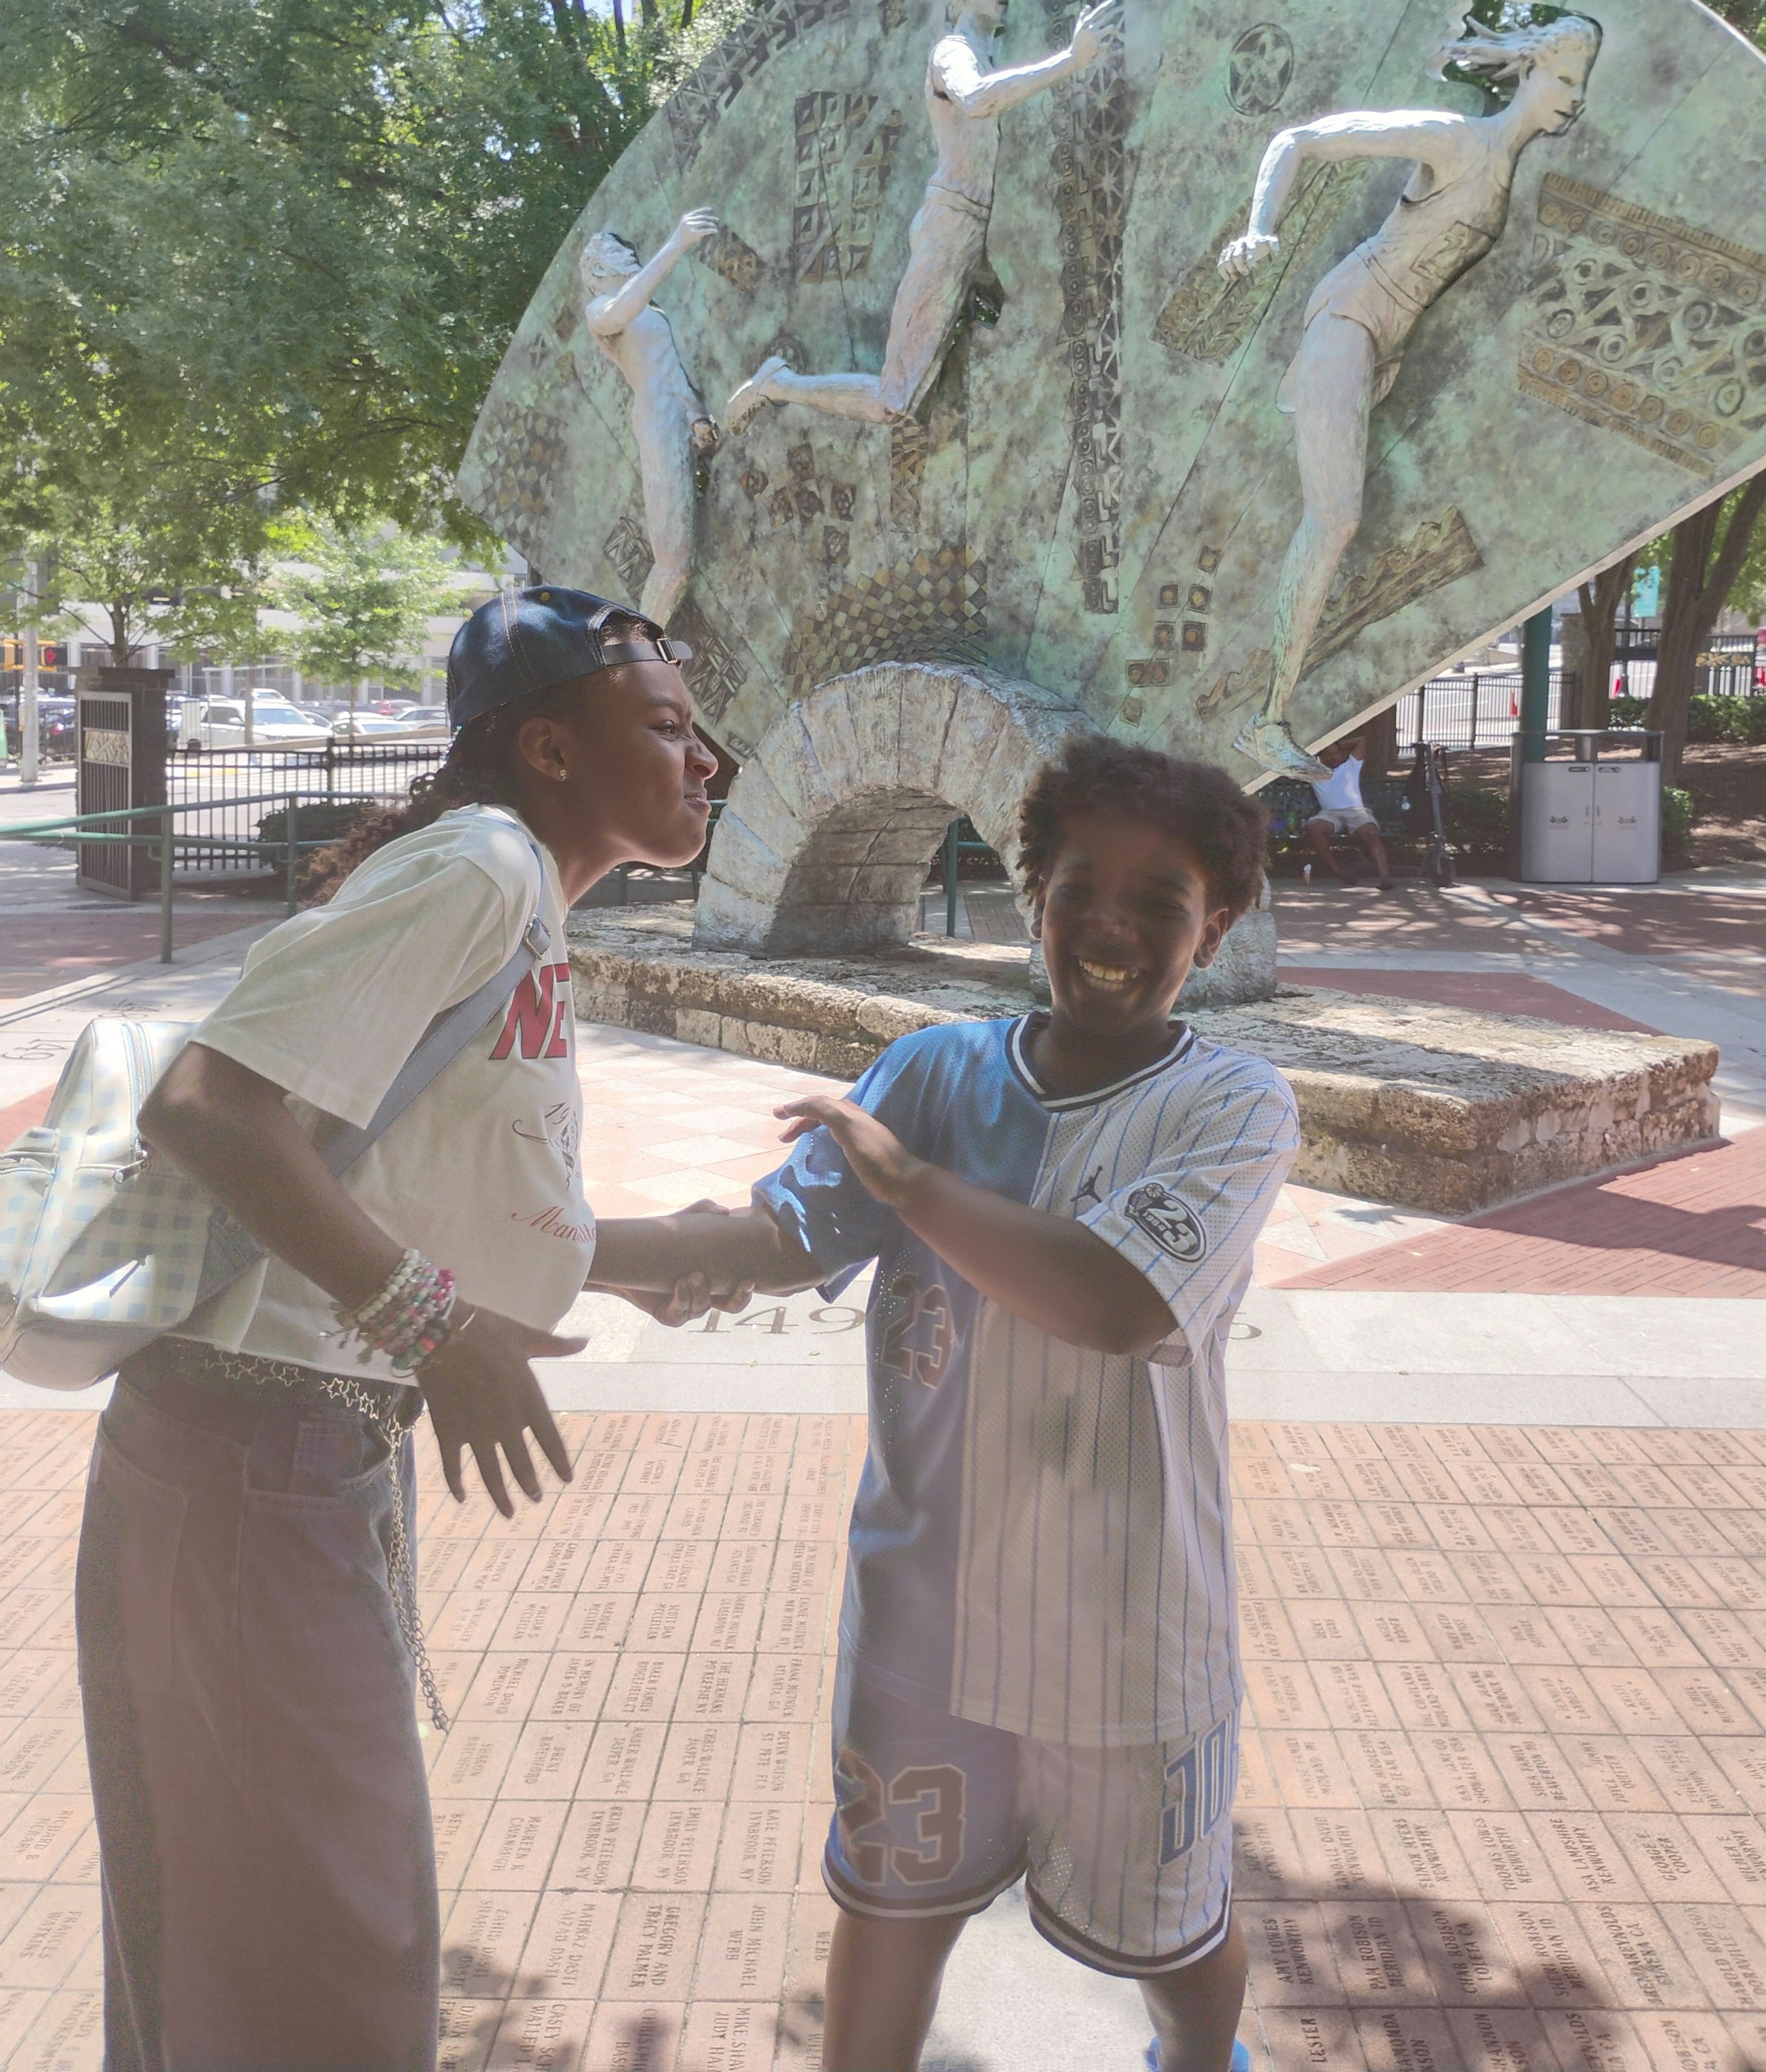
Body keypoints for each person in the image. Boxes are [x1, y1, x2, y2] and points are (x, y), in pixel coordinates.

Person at [76, 586, 743, 2072]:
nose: (706, 759)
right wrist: (439, 1330)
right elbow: (209, 1109)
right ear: (549, 748)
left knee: (280, 1944)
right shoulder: (482, 865)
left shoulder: (515, 894)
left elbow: (385, 1182)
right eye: (666, 725)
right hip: (252, 1460)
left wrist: (644, 1256)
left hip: (290, 1461)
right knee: (322, 1958)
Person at [591, 732, 1298, 2072]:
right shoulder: (929, 1072)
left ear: (1213, 929)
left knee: (1172, 1929)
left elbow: (1114, 1301)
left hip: (1129, 1625)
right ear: (1031, 895)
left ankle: (1202, 2063)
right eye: (1078, 887)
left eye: (1159, 900)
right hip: (923, 1611)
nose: (1108, 923)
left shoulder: (1234, 1106)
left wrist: (912, 1185)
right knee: (887, 1906)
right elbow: (775, 1237)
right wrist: (555, 1246)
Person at [1218, 10, 1602, 783]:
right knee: (1335, 517)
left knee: (1344, 517)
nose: (1574, 98)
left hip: (1383, 349)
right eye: (1565, 79)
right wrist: (1259, 228)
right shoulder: (1456, 138)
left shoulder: (1506, 171)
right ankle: (1266, 721)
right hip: (1349, 317)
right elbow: (1298, 140)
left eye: (1581, 85)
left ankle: (1270, 715)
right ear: (1530, 71)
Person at [725, 0, 1120, 433]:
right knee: (894, 401)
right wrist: (1070, 61)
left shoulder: (987, 55)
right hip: (951, 230)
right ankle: (778, 384)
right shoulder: (951, 53)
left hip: (984, 234)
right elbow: (976, 99)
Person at [581, 208, 723, 626]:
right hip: (657, 421)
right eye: (618, 250)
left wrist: (697, 415)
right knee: (673, 561)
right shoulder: (601, 309)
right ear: (597, 269)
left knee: (681, 560)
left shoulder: (651, 312)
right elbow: (621, 311)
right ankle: (636, 651)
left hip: (681, 419)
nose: (630, 253)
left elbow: (670, 369)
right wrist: (676, 244)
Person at [1304, 735, 1392, 891]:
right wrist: (1321, 746)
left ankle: (1384, 876)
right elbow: (1302, 754)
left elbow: (1361, 741)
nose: (1333, 757)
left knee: (1370, 832)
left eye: (1336, 753)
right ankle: (1337, 870)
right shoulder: (1314, 772)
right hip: (1329, 814)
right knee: (1314, 829)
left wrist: (1336, 745)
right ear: (1320, 757)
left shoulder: (1350, 766)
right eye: (1328, 754)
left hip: (1355, 811)